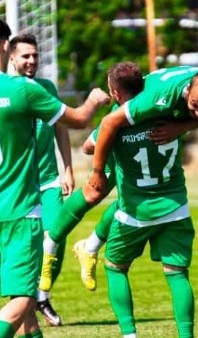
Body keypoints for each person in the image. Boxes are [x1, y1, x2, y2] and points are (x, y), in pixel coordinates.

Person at [0, 17, 109, 338]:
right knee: (25, 298)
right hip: (19, 209)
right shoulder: (22, 90)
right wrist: (93, 100)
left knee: (19, 299)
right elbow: (78, 120)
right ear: (5, 46)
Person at [91, 63, 198, 338]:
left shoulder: (123, 120)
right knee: (177, 274)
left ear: (115, 92)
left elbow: (93, 140)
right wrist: (180, 129)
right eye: (194, 106)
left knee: (115, 267)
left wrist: (97, 171)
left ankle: (129, 335)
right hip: (176, 207)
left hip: (136, 212)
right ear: (186, 93)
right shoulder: (166, 113)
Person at [39, 62, 144, 292]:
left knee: (134, 200)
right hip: (120, 158)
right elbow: (88, 146)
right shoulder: (118, 115)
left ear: (115, 92)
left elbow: (87, 146)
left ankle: (89, 247)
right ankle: (49, 248)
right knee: (92, 193)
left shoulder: (142, 106)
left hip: (144, 164)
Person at [7, 33, 73, 327]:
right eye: (25, 56)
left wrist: (67, 168)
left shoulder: (47, 88)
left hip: (48, 179)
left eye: (35, 55)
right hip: (19, 185)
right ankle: (24, 299)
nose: (32, 60)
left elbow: (61, 127)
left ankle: (41, 296)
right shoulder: (5, 90)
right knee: (27, 247)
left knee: (57, 236)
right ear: (12, 58)